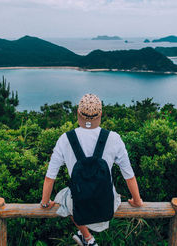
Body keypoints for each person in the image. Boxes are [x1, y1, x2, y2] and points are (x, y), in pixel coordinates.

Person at [40, 94, 143, 246]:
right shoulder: (114, 138)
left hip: (80, 203)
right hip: (107, 205)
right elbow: (128, 175)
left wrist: (44, 202)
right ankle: (86, 237)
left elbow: (50, 177)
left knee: (64, 196)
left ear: (77, 113)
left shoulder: (65, 139)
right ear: (100, 114)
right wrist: (137, 200)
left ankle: (87, 238)